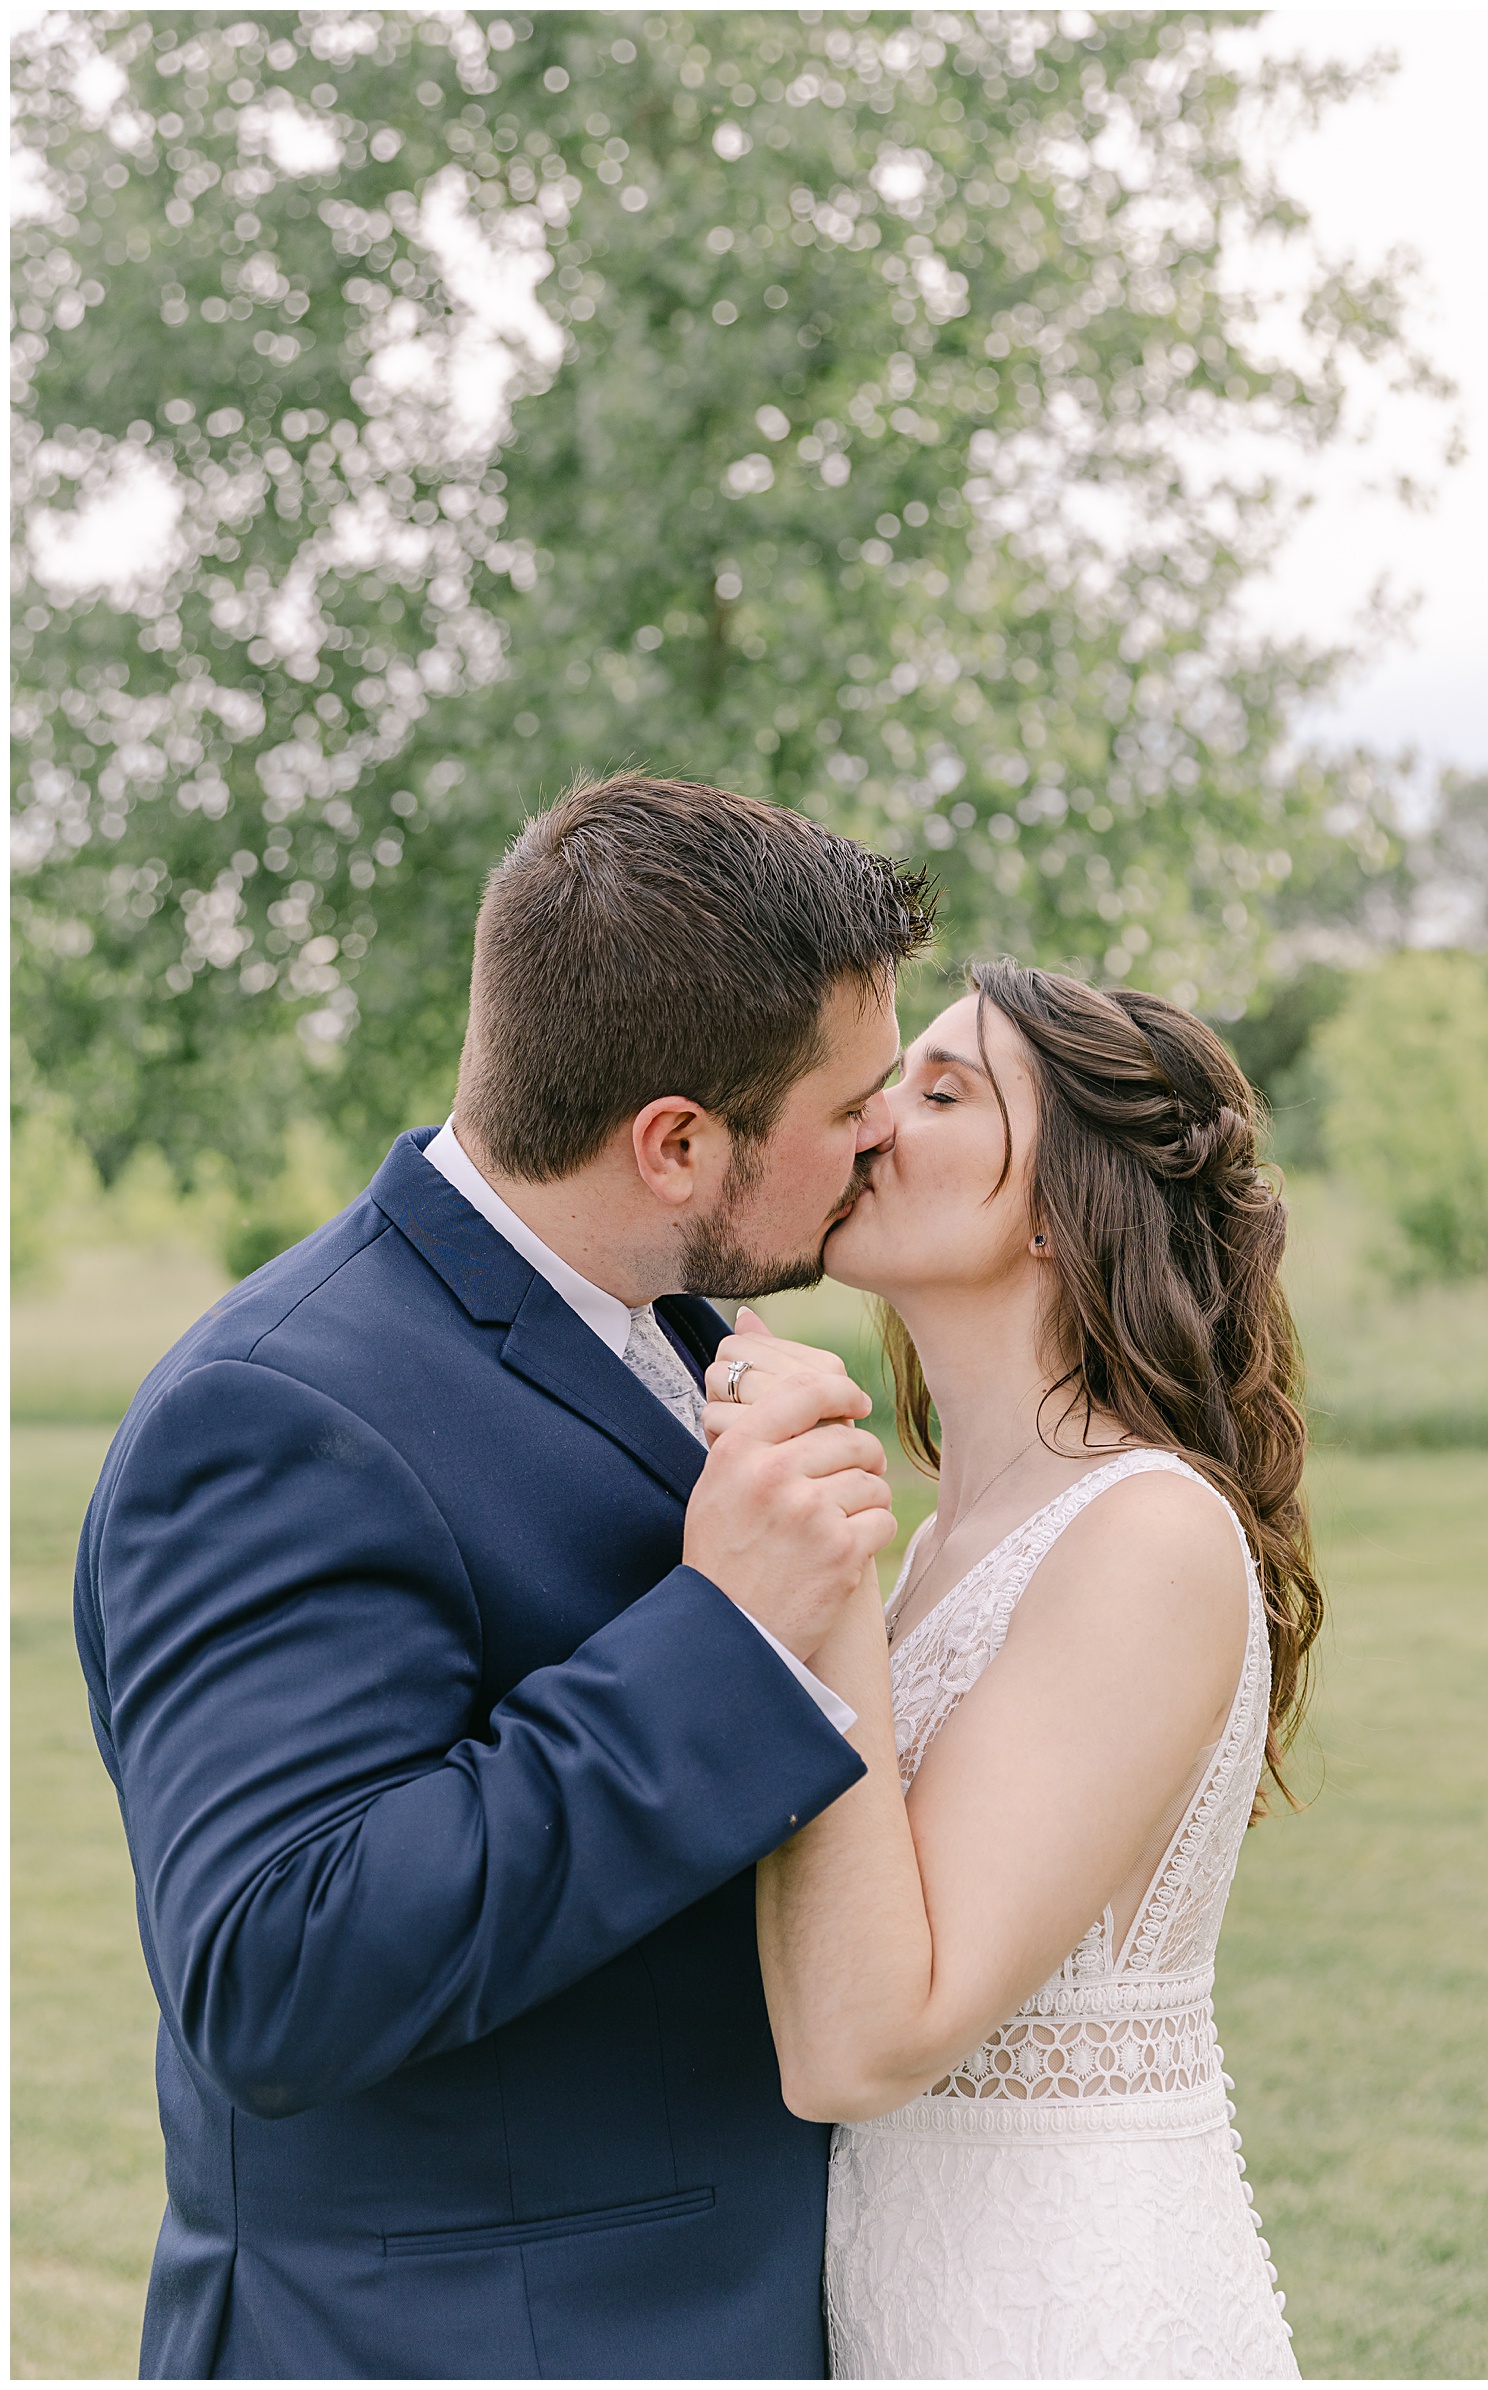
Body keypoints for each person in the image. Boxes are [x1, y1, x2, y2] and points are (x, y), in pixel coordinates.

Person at [73, 774, 934, 2380]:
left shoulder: (683, 1325)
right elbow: (275, 1964)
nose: (884, 1132)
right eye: (852, 1100)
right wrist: (724, 1633)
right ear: (676, 1142)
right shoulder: (275, 1409)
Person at [711, 961, 1322, 2380]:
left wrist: (825, 1570)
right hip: (904, 2290)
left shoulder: (1148, 1535)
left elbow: (862, 2043)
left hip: (1062, 2311)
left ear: (1062, 1208)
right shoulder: (941, 1548)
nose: (874, 1121)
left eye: (943, 1093)